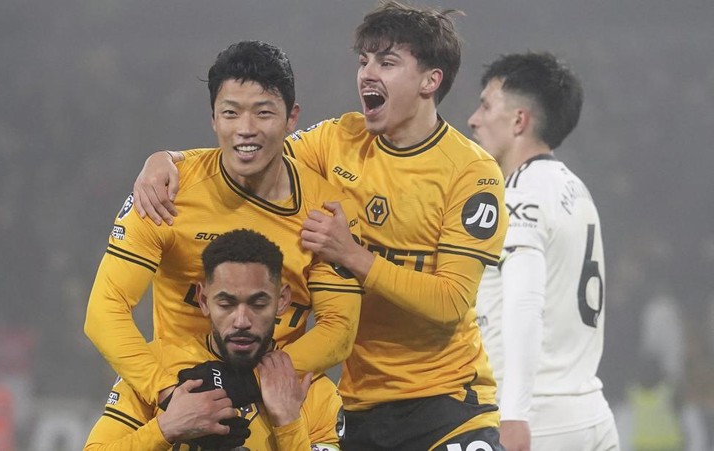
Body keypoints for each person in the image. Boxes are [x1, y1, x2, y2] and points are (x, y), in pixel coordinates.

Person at [133, 3, 508, 449]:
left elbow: (451, 302)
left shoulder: (471, 172)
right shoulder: (336, 140)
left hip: (445, 402)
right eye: (363, 61)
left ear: (431, 80)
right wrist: (168, 159)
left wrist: (352, 255)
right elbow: (254, 148)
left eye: (387, 63)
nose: (368, 74)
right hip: (356, 404)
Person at [84, 40, 363, 410]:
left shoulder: (329, 212)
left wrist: (249, 382)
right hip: (174, 393)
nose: (245, 129)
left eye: (263, 113)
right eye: (231, 113)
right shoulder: (165, 192)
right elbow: (105, 310)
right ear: (213, 119)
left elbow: (338, 331)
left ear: (291, 118)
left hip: (272, 403)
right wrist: (167, 391)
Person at [469, 52, 619, 450]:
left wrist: (515, 414)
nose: (473, 119)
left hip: (539, 420)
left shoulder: (521, 197)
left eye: (485, 106)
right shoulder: (574, 189)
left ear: (519, 120)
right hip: (591, 409)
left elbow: (525, 303)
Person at [84, 229, 343, 450]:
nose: (242, 320)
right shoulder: (159, 366)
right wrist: (166, 428)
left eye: (258, 303)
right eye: (226, 303)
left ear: (282, 301)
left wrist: (288, 424)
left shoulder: (312, 390)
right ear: (204, 300)